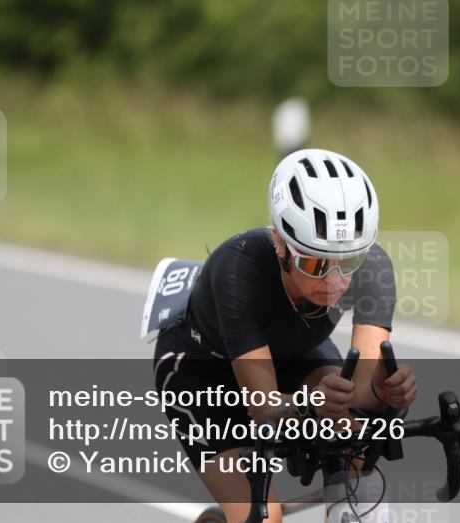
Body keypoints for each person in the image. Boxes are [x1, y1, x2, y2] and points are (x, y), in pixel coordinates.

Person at [153, 148, 417, 523]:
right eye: (315, 263)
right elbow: (264, 409)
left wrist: (384, 394)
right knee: (266, 517)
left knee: (357, 454)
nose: (334, 281)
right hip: (202, 372)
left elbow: (360, 395)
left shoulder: (373, 267)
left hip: (293, 353)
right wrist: (314, 405)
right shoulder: (238, 270)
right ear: (280, 243)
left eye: (349, 262)